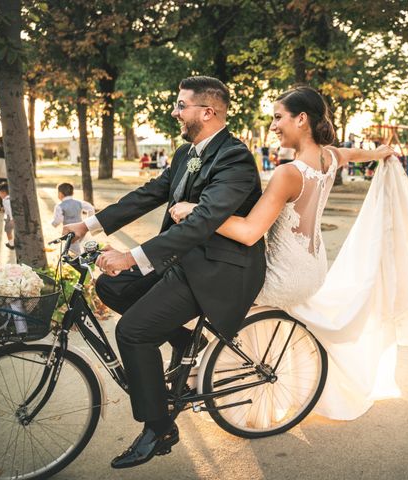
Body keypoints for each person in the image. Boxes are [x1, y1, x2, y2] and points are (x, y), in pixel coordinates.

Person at [172, 86, 408, 422]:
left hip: (284, 276)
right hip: (314, 269)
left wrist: (196, 210)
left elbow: (250, 231)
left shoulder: (288, 174)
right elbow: (353, 155)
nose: (273, 126)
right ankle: (213, 369)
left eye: (278, 117)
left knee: (192, 295)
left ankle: (196, 376)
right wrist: (379, 153)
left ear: (302, 119)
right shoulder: (328, 157)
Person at [63, 76, 266, 470]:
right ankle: (186, 338)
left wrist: (132, 256)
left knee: (133, 332)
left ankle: (159, 429)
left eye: (180, 105)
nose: (174, 111)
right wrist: (88, 226)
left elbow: (204, 220)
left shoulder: (235, 158)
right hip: (182, 258)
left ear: (207, 112)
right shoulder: (185, 152)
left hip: (217, 268)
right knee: (112, 288)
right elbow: (148, 194)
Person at [51, 183, 95, 255]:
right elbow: (91, 208)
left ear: (60, 194)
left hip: (70, 232)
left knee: (72, 251)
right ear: (73, 193)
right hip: (81, 230)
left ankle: (78, 262)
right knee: (82, 248)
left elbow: (58, 220)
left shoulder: (59, 206)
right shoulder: (79, 203)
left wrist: (53, 224)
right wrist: (87, 223)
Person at [0, 182, 14, 250]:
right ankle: (11, 242)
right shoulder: (7, 199)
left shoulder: (7, 201)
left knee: (8, 230)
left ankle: (11, 244)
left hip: (11, 218)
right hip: (9, 217)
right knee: (9, 230)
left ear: (4, 192)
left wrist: (12, 220)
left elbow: (10, 210)